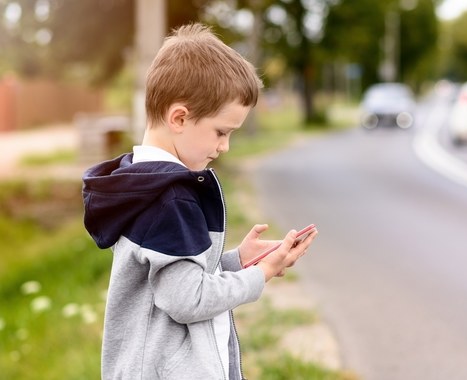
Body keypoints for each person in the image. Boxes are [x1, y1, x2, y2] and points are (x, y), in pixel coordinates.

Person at [82, 23, 317, 380]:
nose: (224, 147)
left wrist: (237, 261)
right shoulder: (170, 197)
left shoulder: (142, 182)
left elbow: (173, 276)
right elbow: (187, 299)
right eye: (221, 132)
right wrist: (261, 274)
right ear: (179, 117)